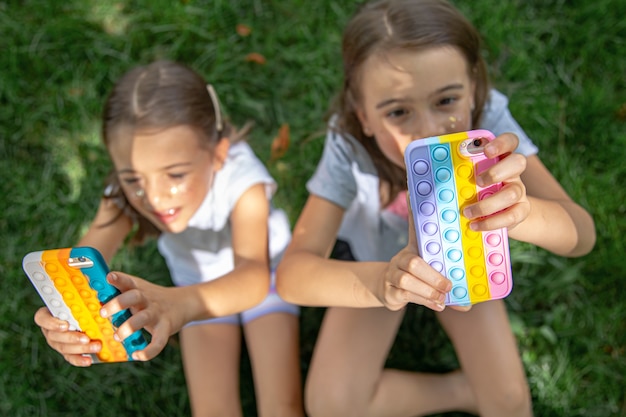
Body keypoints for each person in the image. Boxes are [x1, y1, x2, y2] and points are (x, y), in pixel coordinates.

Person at [276, 1, 596, 416]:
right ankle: (463, 391)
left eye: (446, 101)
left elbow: (582, 234)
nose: (427, 129)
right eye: (398, 111)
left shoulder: (488, 124)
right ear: (364, 117)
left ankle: (483, 390)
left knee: (509, 403)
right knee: (331, 407)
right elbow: (292, 277)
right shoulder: (350, 145)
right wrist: (386, 281)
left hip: (466, 256)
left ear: (475, 91)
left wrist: (523, 212)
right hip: (379, 262)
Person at [33, 60, 304, 417]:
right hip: (192, 283)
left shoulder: (244, 183)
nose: (155, 198)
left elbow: (253, 278)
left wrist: (178, 306)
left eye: (175, 174)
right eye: (133, 179)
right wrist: (67, 314)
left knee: (281, 408)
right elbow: (86, 256)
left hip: (266, 278)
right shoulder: (127, 191)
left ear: (218, 154)